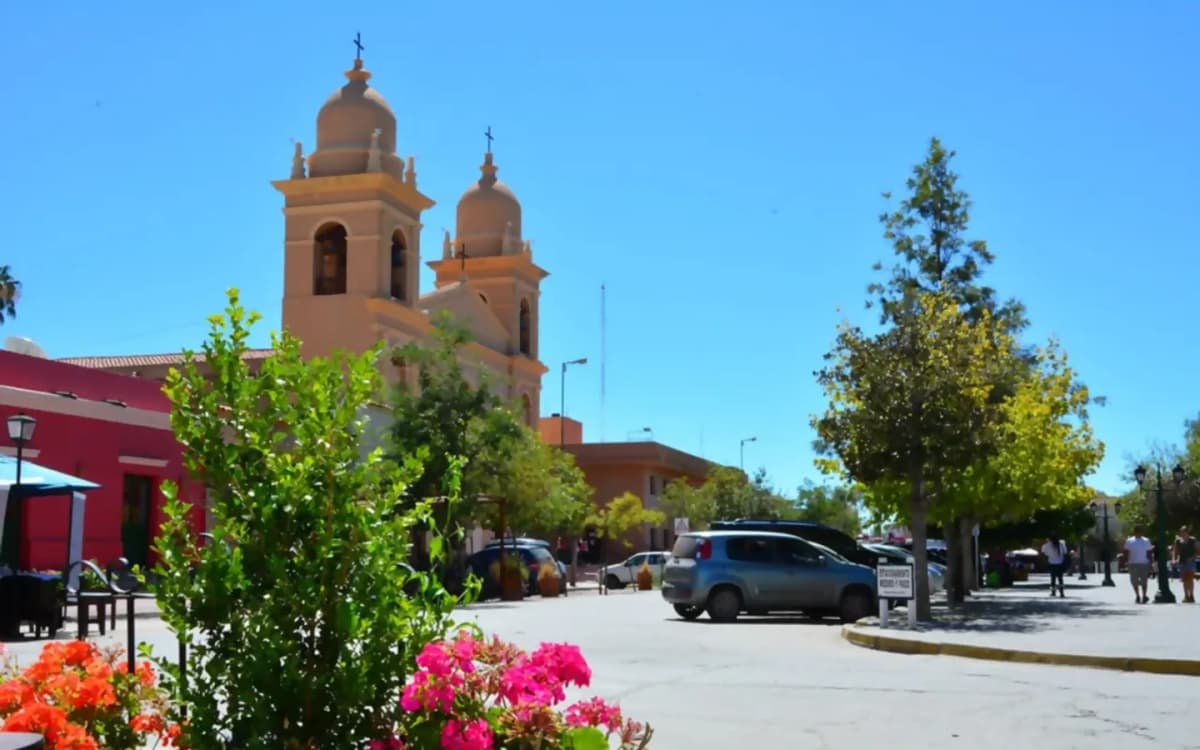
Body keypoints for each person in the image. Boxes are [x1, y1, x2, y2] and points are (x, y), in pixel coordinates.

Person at [1125, 526, 1154, 604]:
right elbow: (1127, 552)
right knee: (1134, 581)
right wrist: (1127, 562)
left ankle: (1144, 596)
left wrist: (1151, 563)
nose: (1140, 533)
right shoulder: (1129, 541)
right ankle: (1137, 595)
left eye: (1141, 531)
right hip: (1133, 563)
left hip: (1144, 563)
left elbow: (1149, 553)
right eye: (1138, 531)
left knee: (1144, 581)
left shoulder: (1146, 540)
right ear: (1135, 532)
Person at [1174, 526, 1197, 604]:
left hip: (1191, 562)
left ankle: (1191, 595)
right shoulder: (1178, 541)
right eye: (1181, 532)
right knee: (1184, 580)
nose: (1182, 533)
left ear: (1187, 532)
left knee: (1190, 579)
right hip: (1182, 562)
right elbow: (1175, 551)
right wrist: (1174, 559)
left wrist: (1192, 557)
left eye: (1184, 532)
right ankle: (1186, 596)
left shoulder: (1192, 540)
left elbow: (1197, 551)